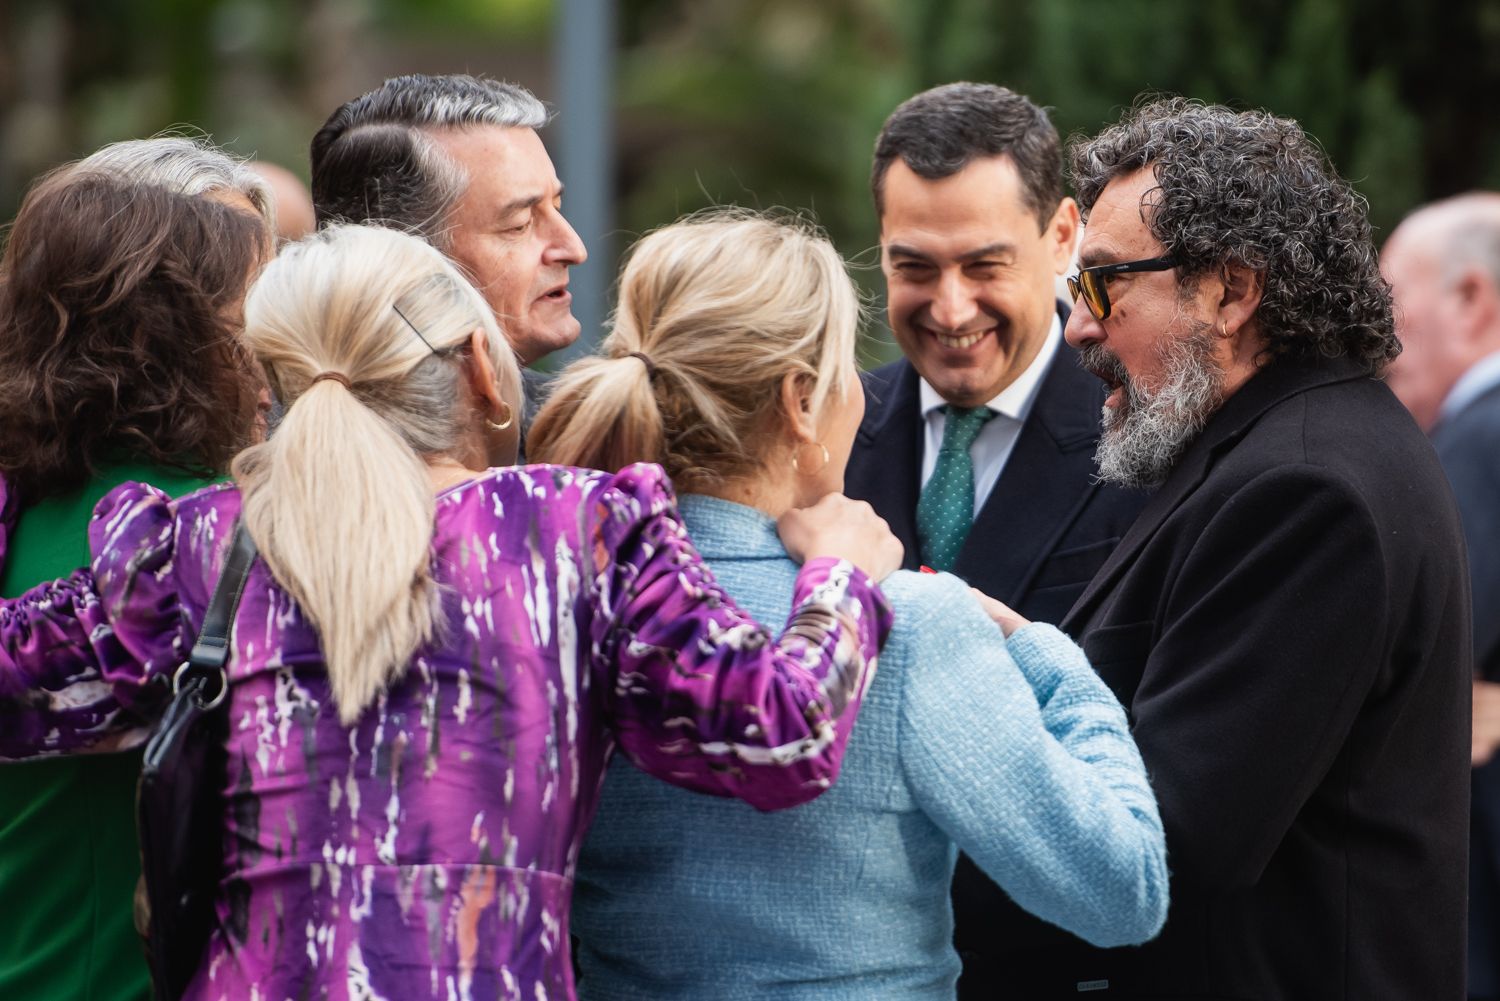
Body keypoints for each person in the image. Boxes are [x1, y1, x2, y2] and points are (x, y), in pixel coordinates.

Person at [0, 222, 900, 1000]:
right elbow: (781, 732)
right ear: (480, 365)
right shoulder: (572, 530)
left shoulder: (195, 547)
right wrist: (838, 577)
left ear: (271, 384)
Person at [529, 209, 1168, 1000]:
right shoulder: (911, 624)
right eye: (845, 371)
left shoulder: (558, 598)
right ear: (801, 401)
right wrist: (1048, 654)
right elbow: (1123, 888)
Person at [1001, 97, 1468, 1000]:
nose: (1079, 329)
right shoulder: (1295, 445)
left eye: (1102, 286)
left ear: (1231, 292)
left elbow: (1165, 843)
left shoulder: (1304, 489)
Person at [843, 82, 1154, 990]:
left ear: (1062, 238)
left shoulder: (1149, 446)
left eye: (984, 265)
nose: (948, 308)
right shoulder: (822, 433)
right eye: (913, 267)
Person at [0, 143, 272, 1001]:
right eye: (256, 314)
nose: (279, 349)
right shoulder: (200, 535)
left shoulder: (27, 507)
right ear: (167, 334)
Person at [1382, 193, 1500, 1001]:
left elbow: (1415, 647)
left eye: (1392, 294)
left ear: (1471, 299)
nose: (1378, 333)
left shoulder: (1481, 435)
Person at [311, 73, 586, 368]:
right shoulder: (287, 415)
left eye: (556, 207)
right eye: (520, 225)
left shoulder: (578, 413)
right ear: (397, 263)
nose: (575, 250)